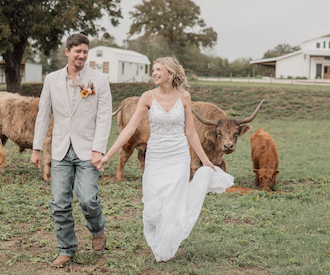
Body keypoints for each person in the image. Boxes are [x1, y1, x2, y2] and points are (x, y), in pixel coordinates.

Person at [98, 57, 234, 262]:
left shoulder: (184, 97)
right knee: (154, 201)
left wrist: (206, 161)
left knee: (173, 199)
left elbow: (191, 133)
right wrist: (108, 154)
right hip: (156, 156)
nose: (154, 73)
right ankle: (161, 237)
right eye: (153, 69)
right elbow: (130, 129)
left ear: (170, 73)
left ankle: (168, 243)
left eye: (158, 69)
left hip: (178, 156)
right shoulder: (147, 97)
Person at [31, 33, 113, 268]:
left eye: (85, 51)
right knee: (60, 203)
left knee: (87, 199)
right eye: (77, 51)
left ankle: (97, 229)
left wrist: (98, 149)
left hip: (88, 150)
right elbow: (43, 114)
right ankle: (66, 249)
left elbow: (104, 117)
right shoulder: (52, 79)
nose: (82, 55)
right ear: (67, 52)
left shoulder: (99, 80)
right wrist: (37, 148)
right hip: (60, 150)